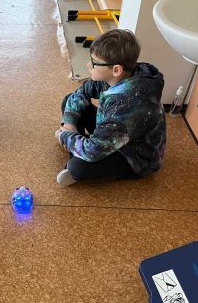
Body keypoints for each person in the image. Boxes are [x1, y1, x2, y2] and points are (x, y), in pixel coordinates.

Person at [55, 29, 166, 186]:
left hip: (133, 157)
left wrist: (65, 136)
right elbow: (82, 92)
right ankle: (80, 147)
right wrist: (69, 125)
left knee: (77, 167)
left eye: (94, 63)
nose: (88, 65)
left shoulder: (127, 106)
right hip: (113, 132)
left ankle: (78, 155)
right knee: (70, 100)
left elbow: (93, 152)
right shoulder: (120, 75)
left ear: (116, 70)